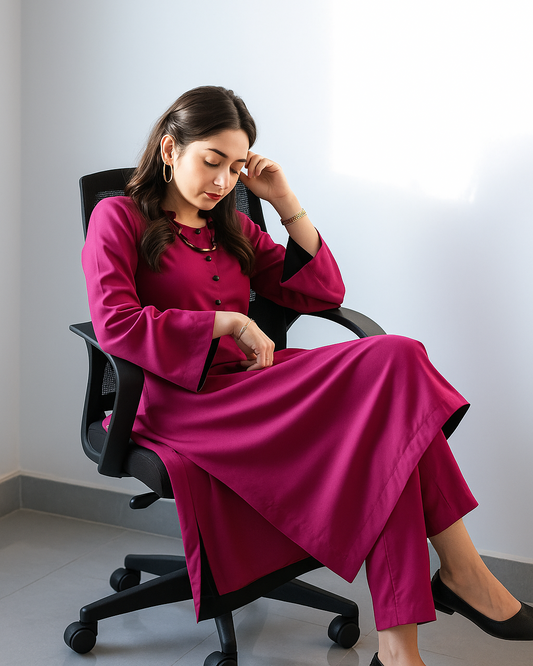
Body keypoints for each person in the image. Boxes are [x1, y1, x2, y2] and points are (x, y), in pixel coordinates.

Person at [81, 86, 533, 666]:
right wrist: (223, 322)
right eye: (211, 162)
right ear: (171, 149)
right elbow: (116, 324)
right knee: (391, 405)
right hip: (178, 401)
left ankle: (402, 650)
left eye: (236, 168)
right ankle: (461, 579)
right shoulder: (116, 216)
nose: (224, 182)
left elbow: (323, 292)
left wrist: (285, 200)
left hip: (250, 387)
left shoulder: (232, 229)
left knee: (392, 382)